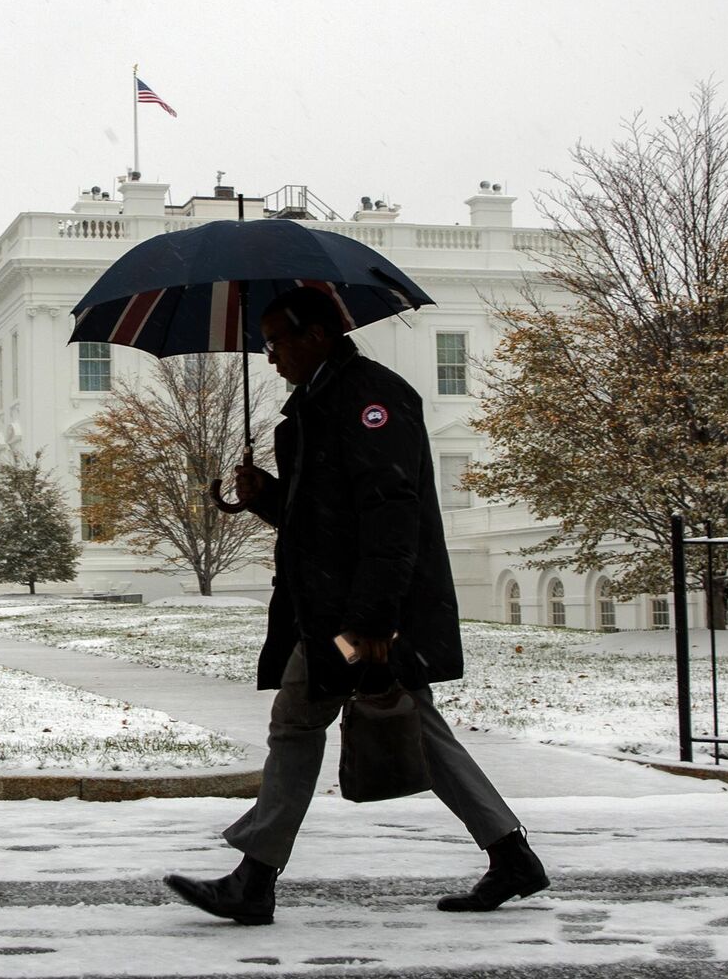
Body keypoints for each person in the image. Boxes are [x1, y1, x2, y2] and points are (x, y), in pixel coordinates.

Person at [163, 286, 547, 925]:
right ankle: (511, 854)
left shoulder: (372, 400)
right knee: (413, 725)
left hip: (360, 616)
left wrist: (371, 625)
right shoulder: (320, 404)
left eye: (277, 341)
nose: (270, 356)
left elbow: (391, 517)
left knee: (297, 718)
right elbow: (324, 518)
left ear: (315, 335)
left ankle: (255, 878)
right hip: (334, 608)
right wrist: (264, 497)